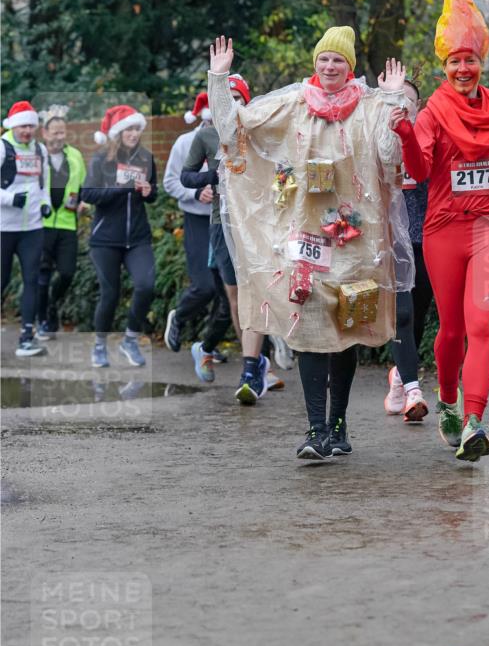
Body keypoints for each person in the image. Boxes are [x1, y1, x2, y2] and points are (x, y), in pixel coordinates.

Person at [208, 27, 413, 459]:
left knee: (347, 329)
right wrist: (219, 79)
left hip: (359, 241)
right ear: (315, 64)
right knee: (309, 327)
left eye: (338, 60)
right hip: (305, 239)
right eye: (324, 59)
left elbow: (391, 156)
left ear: (350, 66)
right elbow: (234, 129)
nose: (330, 66)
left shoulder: (372, 105)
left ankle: (338, 427)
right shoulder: (293, 102)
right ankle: (316, 429)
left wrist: (395, 100)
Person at [391, 0, 489, 462]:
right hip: (445, 229)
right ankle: (448, 403)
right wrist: (408, 135)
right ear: (445, 66)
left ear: (480, 62)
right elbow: (422, 169)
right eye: (455, 61)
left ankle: (475, 420)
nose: (463, 68)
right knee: (451, 328)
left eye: (469, 59)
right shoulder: (431, 112)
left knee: (482, 323)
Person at [180, 77, 285, 395]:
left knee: (261, 291)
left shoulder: (258, 132)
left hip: (256, 223)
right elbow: (186, 176)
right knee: (238, 296)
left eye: (239, 98)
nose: (233, 104)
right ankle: (252, 366)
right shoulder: (207, 134)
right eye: (227, 98)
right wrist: (212, 177)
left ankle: (258, 364)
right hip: (220, 224)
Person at [81, 105, 158, 368]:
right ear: (119, 132)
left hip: (137, 237)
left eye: (138, 129)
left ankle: (130, 339)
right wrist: (119, 189)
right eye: (129, 129)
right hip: (105, 239)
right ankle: (100, 345)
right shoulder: (102, 160)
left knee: (146, 285)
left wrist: (148, 191)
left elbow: (154, 193)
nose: (134, 133)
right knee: (110, 295)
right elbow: (88, 195)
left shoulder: (146, 158)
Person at [163, 92, 232, 369]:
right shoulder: (185, 142)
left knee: (225, 290)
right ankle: (178, 317)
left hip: (226, 220)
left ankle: (208, 346)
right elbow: (170, 182)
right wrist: (195, 193)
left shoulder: (232, 140)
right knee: (204, 285)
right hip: (197, 220)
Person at [383, 76, 432, 423]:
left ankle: (400, 374)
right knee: (401, 315)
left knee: (418, 315)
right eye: (396, 99)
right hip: (390, 241)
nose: (403, 104)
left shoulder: (428, 138)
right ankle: (411, 386)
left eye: (409, 100)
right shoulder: (378, 139)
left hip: (425, 237)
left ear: (418, 108)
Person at [0, 100, 51, 356]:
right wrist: (9, 199)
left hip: (32, 227)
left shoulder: (40, 150)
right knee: (2, 280)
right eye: (23, 127)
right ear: (14, 126)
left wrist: (46, 204)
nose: (27, 131)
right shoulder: (2, 148)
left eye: (32, 126)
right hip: (3, 227)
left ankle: (26, 339)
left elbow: (44, 183)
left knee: (32, 280)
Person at [35, 106, 87, 340]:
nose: (60, 136)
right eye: (55, 132)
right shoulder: (36, 156)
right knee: (42, 275)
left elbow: (85, 187)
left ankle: (52, 305)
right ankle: (44, 321)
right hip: (41, 224)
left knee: (66, 273)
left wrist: (85, 203)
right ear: (44, 133)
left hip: (67, 224)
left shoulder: (74, 155)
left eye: (62, 132)